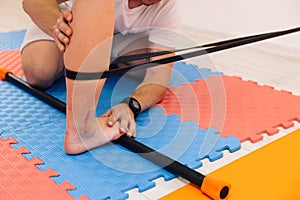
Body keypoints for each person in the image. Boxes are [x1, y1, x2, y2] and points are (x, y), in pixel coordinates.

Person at [21, 0, 181, 154]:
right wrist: (58, 26)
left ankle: (97, 55)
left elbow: (158, 77)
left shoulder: (168, 6)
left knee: (146, 62)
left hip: (117, 38)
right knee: (40, 71)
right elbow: (31, 2)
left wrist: (131, 105)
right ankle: (85, 56)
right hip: (63, 19)